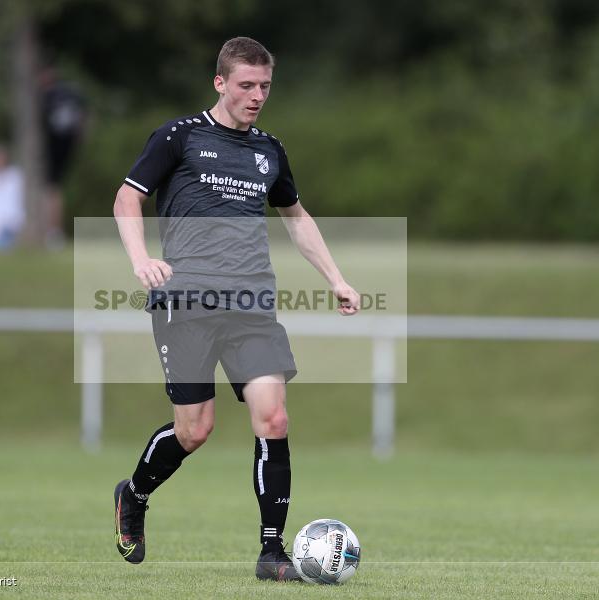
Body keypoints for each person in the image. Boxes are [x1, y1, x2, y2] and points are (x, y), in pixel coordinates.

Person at [111, 37, 361, 581]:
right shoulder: (178, 136)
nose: (257, 96)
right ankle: (134, 495)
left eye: (265, 86)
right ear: (220, 82)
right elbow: (127, 197)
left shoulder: (269, 150)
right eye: (246, 85)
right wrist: (141, 259)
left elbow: (296, 217)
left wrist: (337, 279)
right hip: (186, 302)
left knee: (274, 418)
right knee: (195, 430)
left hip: (251, 303)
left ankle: (271, 554)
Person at [39, 65, 86, 245]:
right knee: (54, 188)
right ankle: (52, 230)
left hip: (55, 148)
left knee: (52, 189)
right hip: (66, 147)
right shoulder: (70, 93)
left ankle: (53, 230)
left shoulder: (48, 97)